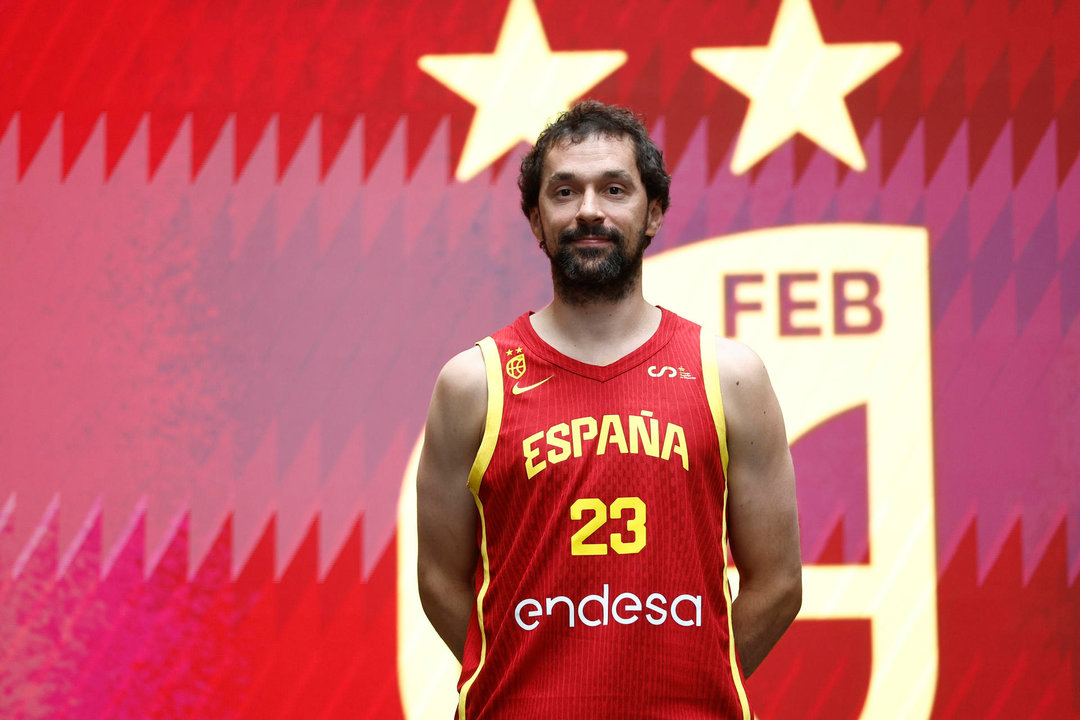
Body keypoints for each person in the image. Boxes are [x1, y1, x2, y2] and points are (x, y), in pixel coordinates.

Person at [416, 100, 801, 719]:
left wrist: (689, 686)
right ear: (537, 222)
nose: (588, 209)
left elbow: (778, 583)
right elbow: (438, 579)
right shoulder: (473, 385)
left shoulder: (729, 376)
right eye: (564, 192)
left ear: (652, 215)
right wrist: (529, 682)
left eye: (614, 189)